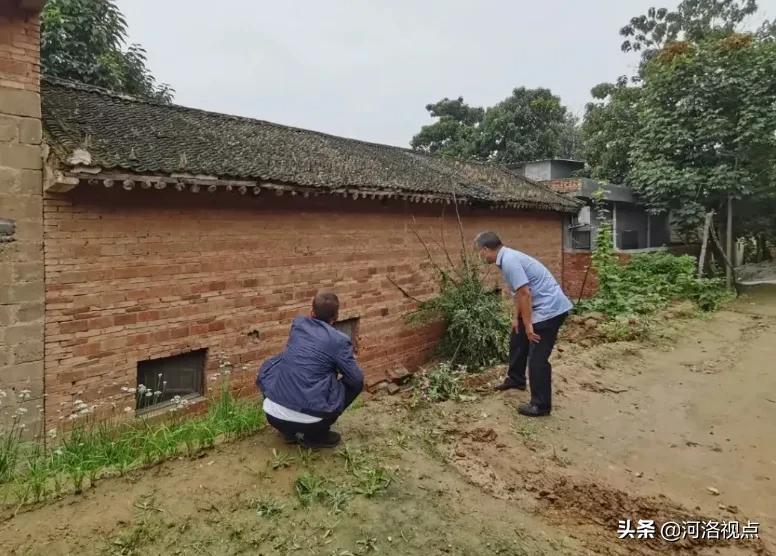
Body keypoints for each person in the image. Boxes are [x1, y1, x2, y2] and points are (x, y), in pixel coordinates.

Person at [475, 231, 572, 417]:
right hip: (538, 306)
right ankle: (516, 379)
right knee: (517, 338)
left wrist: (529, 325)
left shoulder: (510, 261)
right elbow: (519, 294)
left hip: (550, 311)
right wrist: (516, 319)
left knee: (537, 359)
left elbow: (526, 293)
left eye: (480, 252)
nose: (480, 256)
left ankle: (541, 405)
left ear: (486, 249)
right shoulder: (507, 259)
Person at [256, 292, 364, 448]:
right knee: (355, 382)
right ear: (336, 316)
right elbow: (356, 379)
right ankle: (316, 435)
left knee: (276, 364)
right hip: (310, 423)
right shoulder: (339, 340)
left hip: (273, 417)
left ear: (312, 312)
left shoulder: (298, 324)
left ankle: (288, 432)